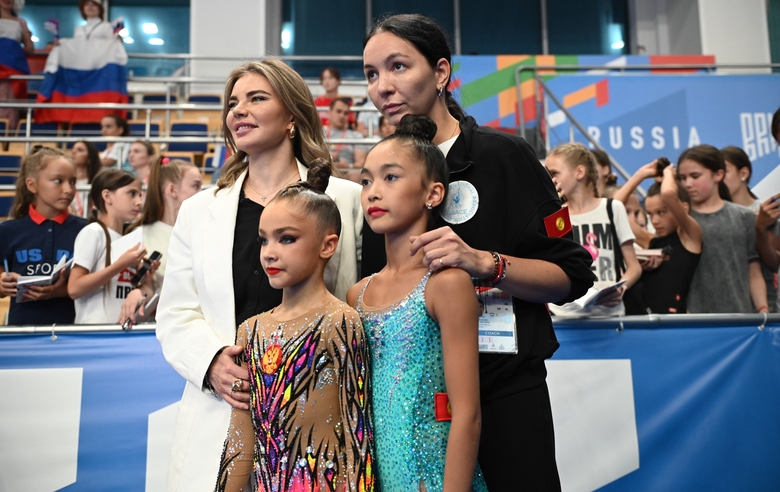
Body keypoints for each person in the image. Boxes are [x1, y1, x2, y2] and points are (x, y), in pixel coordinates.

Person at [362, 13, 594, 490]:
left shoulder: (503, 156)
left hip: (503, 392)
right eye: (371, 74)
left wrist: (487, 264)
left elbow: (572, 275)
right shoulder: (377, 177)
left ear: (441, 73)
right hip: (412, 414)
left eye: (398, 67)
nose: (383, 86)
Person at [155, 58, 365, 491]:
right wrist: (212, 363)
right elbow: (175, 312)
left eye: (256, 98)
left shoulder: (348, 200)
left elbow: (363, 298)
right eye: (233, 102)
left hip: (318, 422)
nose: (238, 111)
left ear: (292, 115)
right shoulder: (198, 210)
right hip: (224, 411)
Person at [216, 159, 374, 491]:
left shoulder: (340, 322)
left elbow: (358, 433)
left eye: (286, 239)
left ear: (327, 245)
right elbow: (239, 438)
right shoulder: (251, 330)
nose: (269, 253)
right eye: (264, 240)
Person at [348, 114, 487, 491]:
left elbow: (468, 413)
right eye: (366, 181)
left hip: (434, 477)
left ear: (433, 193)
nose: (373, 192)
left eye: (390, 177)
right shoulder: (355, 294)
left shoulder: (446, 284)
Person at [545, 143, 642, 317]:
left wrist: (621, 288)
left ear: (579, 172)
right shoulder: (555, 215)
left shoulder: (613, 208)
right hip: (565, 316)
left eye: (554, 173)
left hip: (608, 315)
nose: (550, 180)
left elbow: (634, 266)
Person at [0, 148, 86, 325]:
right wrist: (2, 285)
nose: (68, 189)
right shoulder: (8, 230)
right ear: (32, 185)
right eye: (58, 181)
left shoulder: (87, 230)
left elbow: (97, 285)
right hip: (21, 332)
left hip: (72, 332)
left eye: (73, 182)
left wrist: (61, 291)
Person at [677, 144, 767, 314]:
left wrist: (763, 311)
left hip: (740, 319)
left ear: (718, 175)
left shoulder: (744, 217)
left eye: (695, 176)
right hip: (695, 321)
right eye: (682, 177)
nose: (688, 183)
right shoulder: (682, 221)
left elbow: (754, 272)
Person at [118, 157, 202, 327]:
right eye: (196, 186)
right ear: (172, 190)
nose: (202, 192)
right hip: (162, 327)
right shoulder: (140, 236)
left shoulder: (205, 232)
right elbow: (146, 287)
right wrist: (138, 294)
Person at [615, 159, 702, 313]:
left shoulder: (690, 236)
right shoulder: (650, 241)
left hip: (675, 325)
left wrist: (668, 173)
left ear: (684, 208)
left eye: (661, 212)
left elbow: (668, 194)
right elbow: (614, 207)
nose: (654, 221)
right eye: (649, 214)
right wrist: (641, 174)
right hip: (645, 322)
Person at [67, 168, 146, 323]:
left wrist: (144, 273)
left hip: (119, 332)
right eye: (132, 193)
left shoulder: (126, 238)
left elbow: (122, 286)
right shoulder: (93, 232)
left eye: (140, 195)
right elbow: (74, 288)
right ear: (107, 196)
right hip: (94, 334)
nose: (139, 202)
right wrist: (120, 264)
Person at [0, 0, 33, 130]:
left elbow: (30, 49)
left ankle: (7, 139)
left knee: (9, 103)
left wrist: (13, 51)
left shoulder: (21, 22)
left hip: (13, 68)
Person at [324, 97, 367, 180]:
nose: (342, 116)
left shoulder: (356, 136)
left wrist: (348, 165)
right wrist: (325, 156)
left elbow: (361, 162)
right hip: (323, 168)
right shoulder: (318, 132)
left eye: (346, 113)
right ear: (329, 112)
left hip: (347, 172)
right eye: (338, 111)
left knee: (355, 174)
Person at [69, 139, 101, 217]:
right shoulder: (65, 181)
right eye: (73, 148)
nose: (73, 152)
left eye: (80, 150)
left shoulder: (98, 182)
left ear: (89, 158)